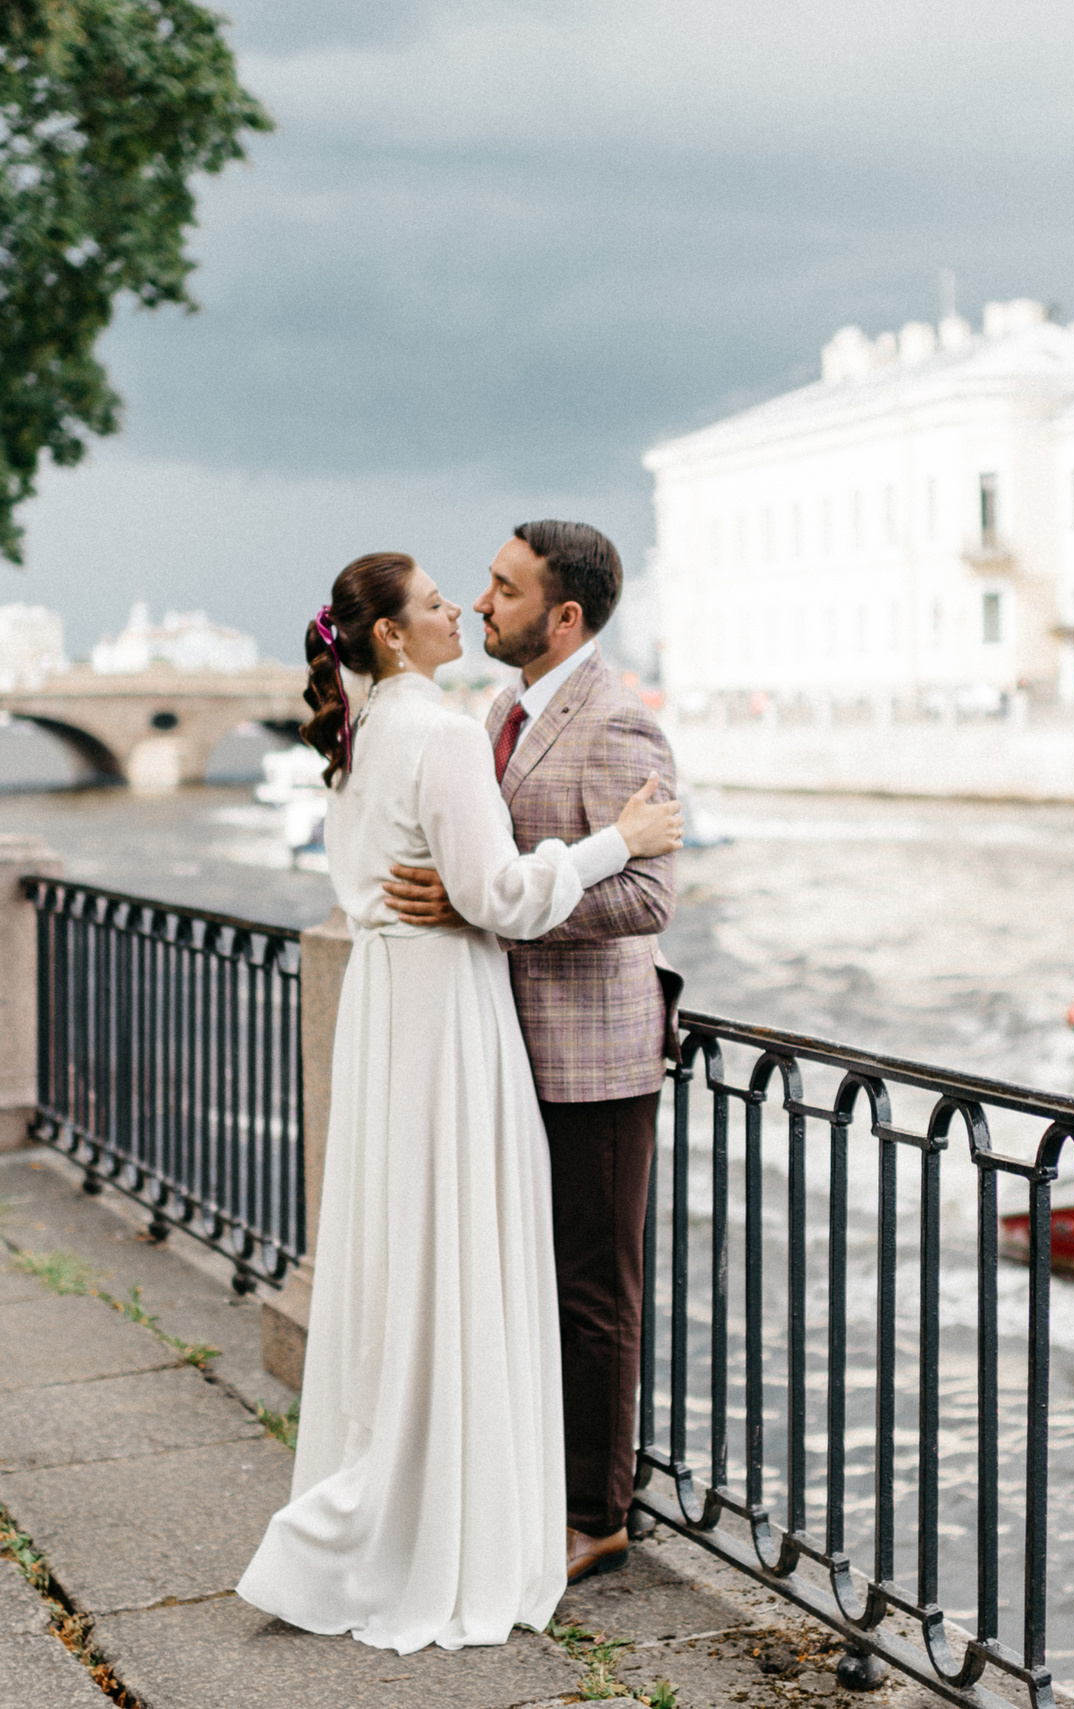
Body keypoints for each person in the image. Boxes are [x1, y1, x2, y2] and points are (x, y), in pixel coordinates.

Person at [234, 552, 684, 1655]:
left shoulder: (364, 727)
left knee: (413, 1253)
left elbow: (435, 882)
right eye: (441, 599)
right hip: (451, 1010)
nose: (463, 607)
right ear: (391, 634)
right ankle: (475, 1507)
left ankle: (435, 1487)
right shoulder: (440, 727)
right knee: (463, 1250)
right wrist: (615, 840)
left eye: (482, 589)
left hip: (394, 1010)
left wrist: (475, 885)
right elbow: (497, 896)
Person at [379, 520, 678, 1587]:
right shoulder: (503, 710)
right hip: (504, 1048)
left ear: (564, 614)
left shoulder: (617, 726)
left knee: (594, 1288)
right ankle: (528, 1477)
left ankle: (597, 1510)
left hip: (595, 1057)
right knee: (522, 1278)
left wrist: (486, 913)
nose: (480, 601)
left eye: (503, 589)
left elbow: (647, 894)